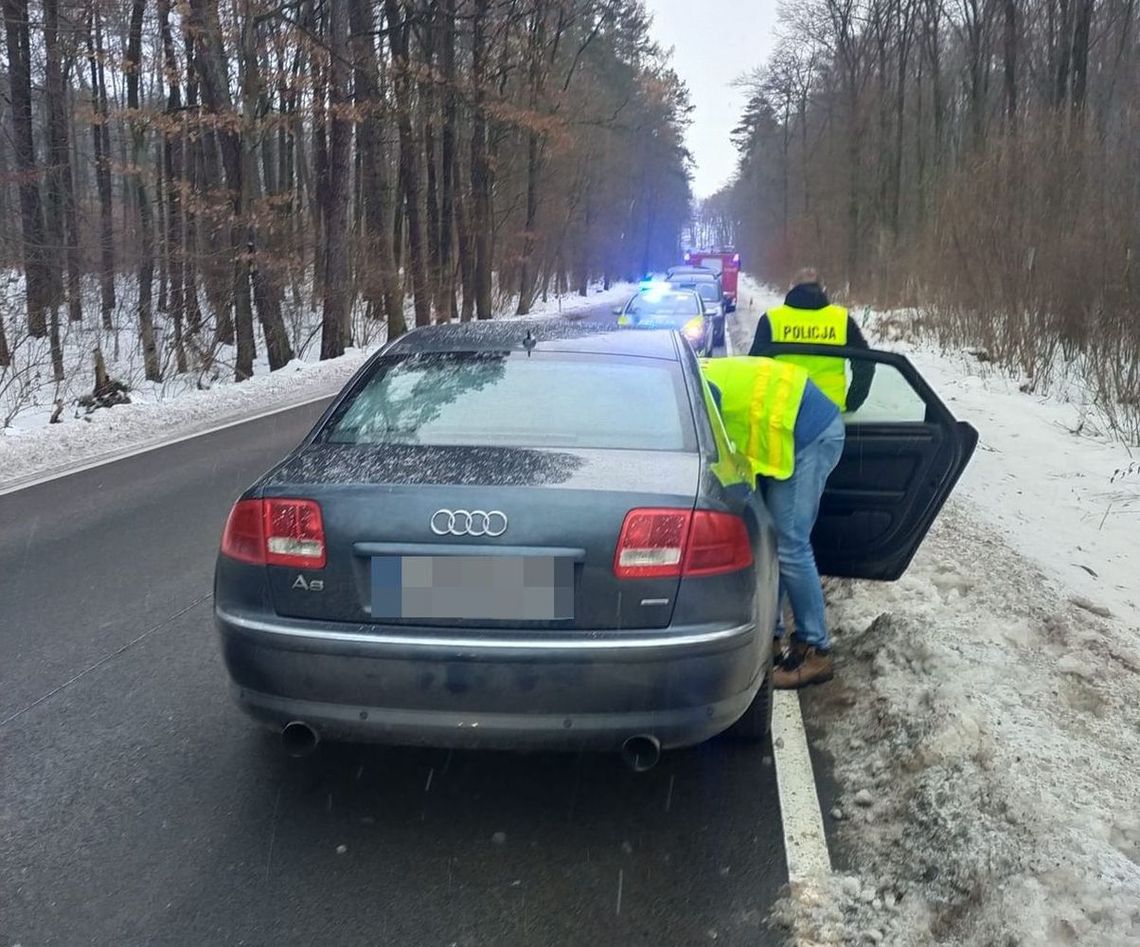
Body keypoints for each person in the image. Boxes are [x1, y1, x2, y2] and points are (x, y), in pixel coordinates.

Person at [701, 355, 845, 689]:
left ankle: (816, 650)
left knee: (790, 541)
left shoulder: (699, 390)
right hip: (787, 430)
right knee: (772, 540)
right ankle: (772, 636)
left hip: (810, 433)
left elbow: (708, 455)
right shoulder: (690, 371)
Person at [749, 268, 873, 413]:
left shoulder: (772, 319)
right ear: (823, 289)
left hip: (782, 412)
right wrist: (852, 403)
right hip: (829, 414)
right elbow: (866, 363)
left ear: (792, 287)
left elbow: (754, 368)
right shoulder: (842, 320)